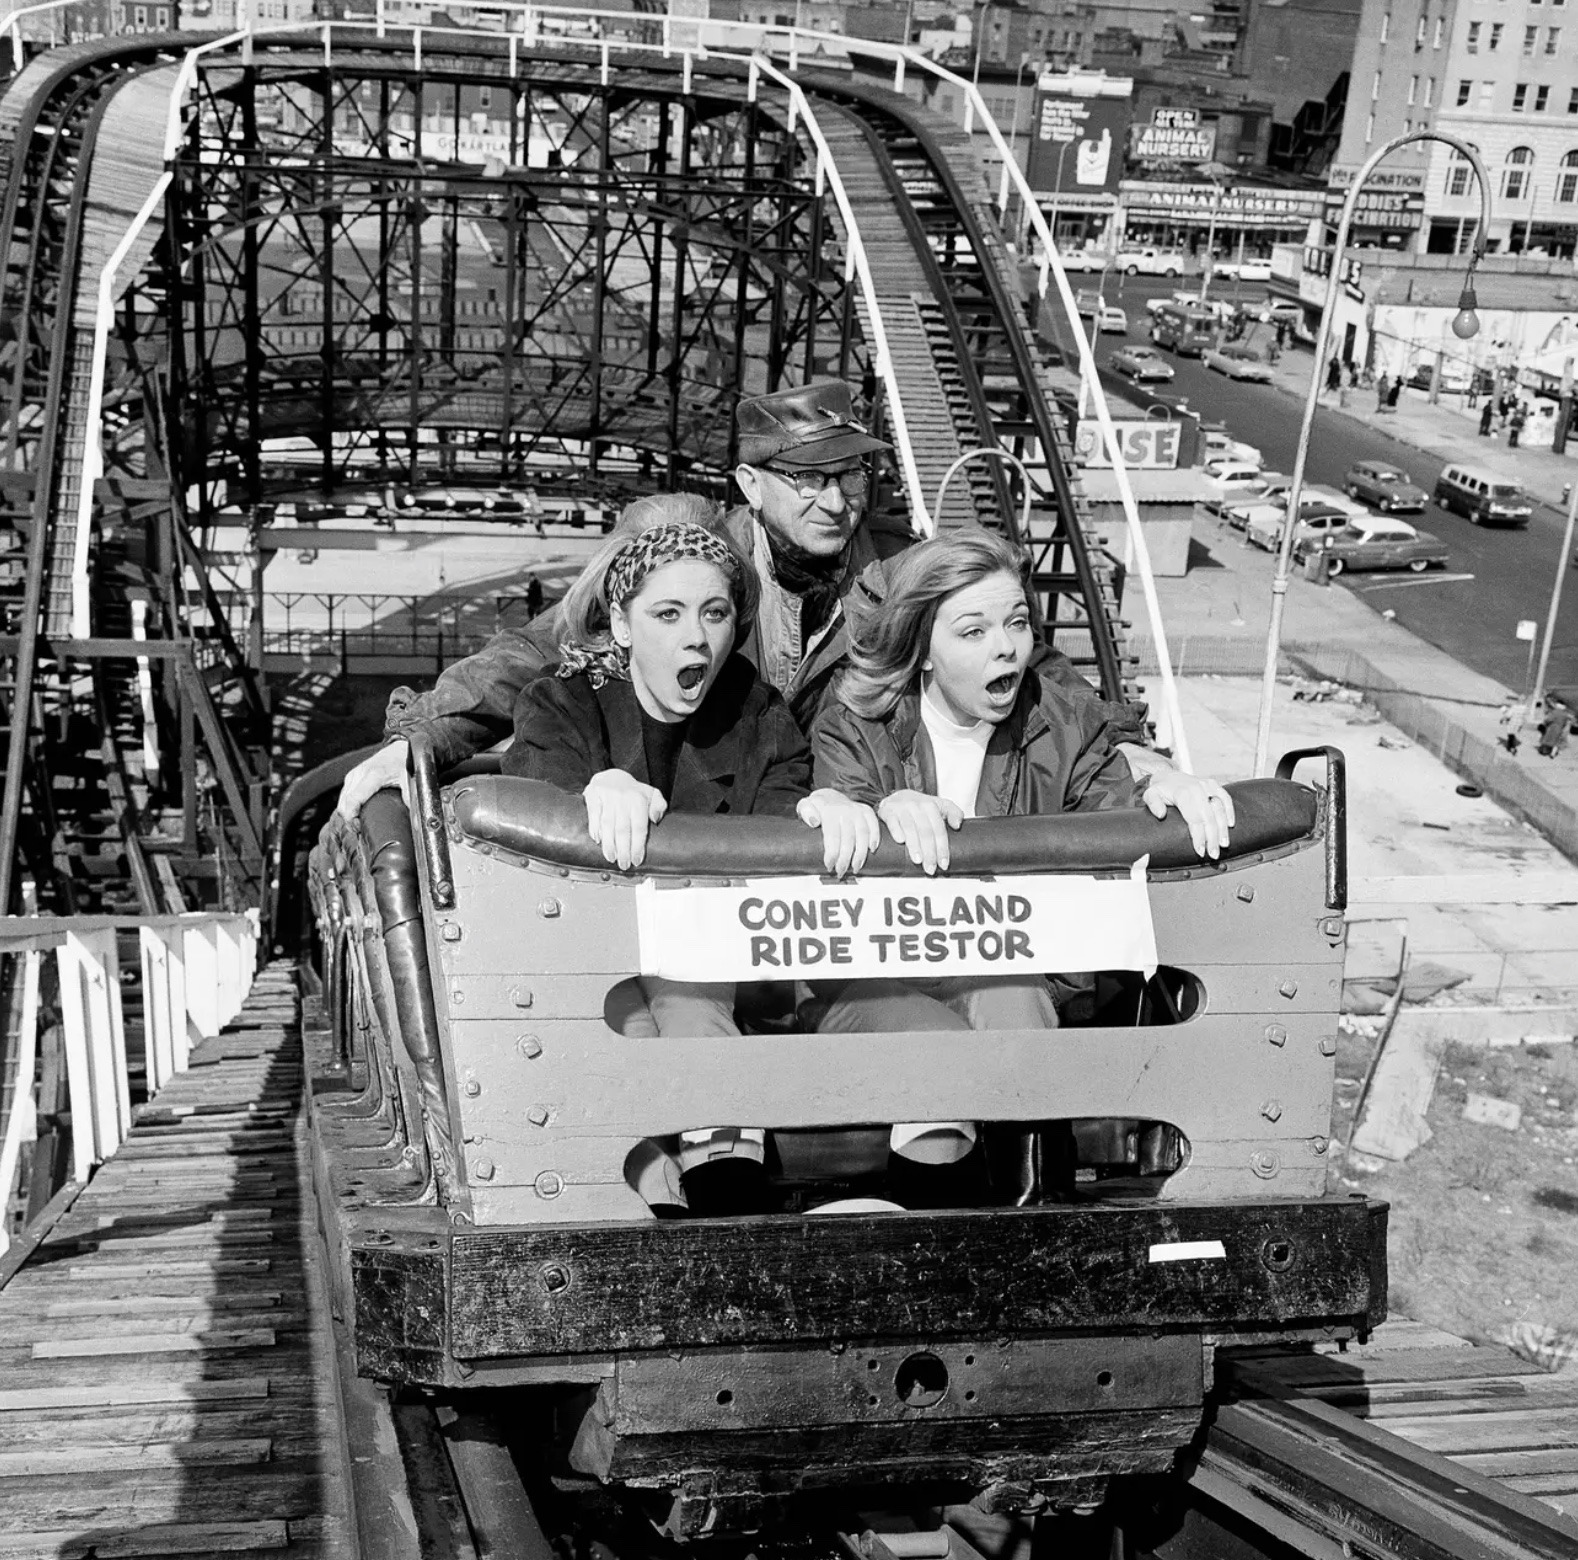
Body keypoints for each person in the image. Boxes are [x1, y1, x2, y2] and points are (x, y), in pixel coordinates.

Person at [336, 380, 1234, 855]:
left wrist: (1138, 753)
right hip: (717, 807)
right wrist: (416, 738)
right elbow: (542, 651)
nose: (838, 499)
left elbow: (1015, 660)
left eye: (852, 474)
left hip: (848, 819)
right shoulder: (701, 563)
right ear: (750, 485)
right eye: (809, 478)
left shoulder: (894, 564)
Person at [502, 518, 878, 1213]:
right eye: (666, 614)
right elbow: (533, 836)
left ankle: (712, 1185)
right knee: (641, 1009)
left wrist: (824, 809)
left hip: (727, 974)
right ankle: (683, 1182)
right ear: (620, 623)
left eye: (715, 613)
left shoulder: (759, 714)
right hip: (597, 974)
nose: (695, 637)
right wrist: (590, 793)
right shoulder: (562, 705)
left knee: (688, 984)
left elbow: (774, 835)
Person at [809, 531, 1168, 1203]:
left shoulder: (1065, 722)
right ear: (921, 650)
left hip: (1009, 971)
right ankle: (955, 1228)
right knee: (940, 1048)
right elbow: (840, 803)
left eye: (1018, 622)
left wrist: (1161, 789)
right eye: (973, 631)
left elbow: (1111, 816)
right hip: (881, 980)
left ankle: (1030, 1213)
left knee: (1012, 993)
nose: (1005, 646)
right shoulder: (856, 719)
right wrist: (881, 807)